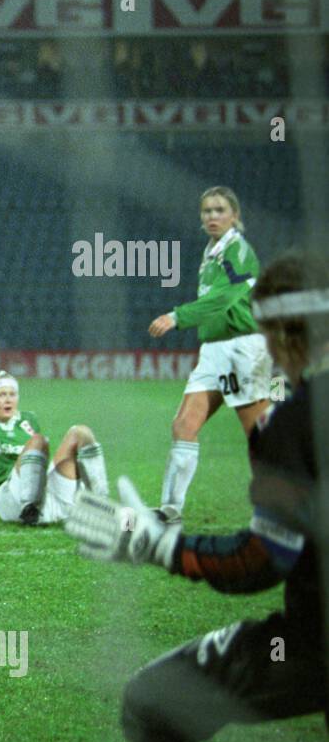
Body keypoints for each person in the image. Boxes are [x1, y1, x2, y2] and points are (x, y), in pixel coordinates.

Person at [65, 249, 327, 742]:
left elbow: (260, 561)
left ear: (280, 333)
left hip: (317, 645)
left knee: (154, 702)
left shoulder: (297, 424)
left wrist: (159, 545)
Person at [149, 186, 271, 522]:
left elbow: (224, 299)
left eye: (219, 210)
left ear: (235, 215)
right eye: (207, 211)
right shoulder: (212, 251)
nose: (212, 216)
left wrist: (177, 317)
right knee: (184, 424)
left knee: (259, 434)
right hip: (214, 351)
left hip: (241, 349)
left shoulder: (238, 251)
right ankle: (171, 509)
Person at [0, 370, 108, 525]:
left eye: (12, 394)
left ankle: (100, 503)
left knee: (81, 432)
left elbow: (38, 463)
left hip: (44, 494)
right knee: (38, 441)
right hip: (9, 500)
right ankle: (29, 508)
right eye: (1, 395)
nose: (8, 400)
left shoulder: (29, 420)